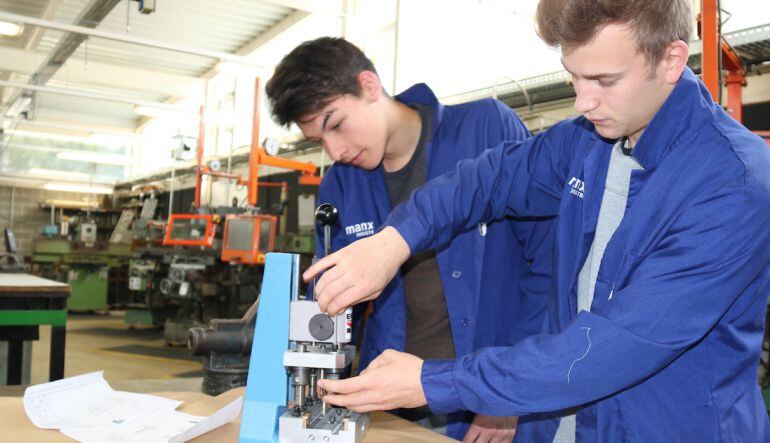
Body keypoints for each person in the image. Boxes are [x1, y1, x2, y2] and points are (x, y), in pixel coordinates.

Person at [307, 1, 770, 441]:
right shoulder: (586, 143)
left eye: (604, 80)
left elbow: (609, 348)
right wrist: (394, 241)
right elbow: (485, 181)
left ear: (671, 60)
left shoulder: (733, 185)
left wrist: (437, 381)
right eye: (574, 77)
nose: (583, 102)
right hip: (557, 427)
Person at [265, 37, 555, 441]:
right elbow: (330, 305)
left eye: (335, 124)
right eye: (319, 141)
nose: (335, 150)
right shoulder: (341, 187)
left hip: (488, 395)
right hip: (393, 404)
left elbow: (550, 269)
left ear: (368, 86)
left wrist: (508, 393)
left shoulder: (486, 128)